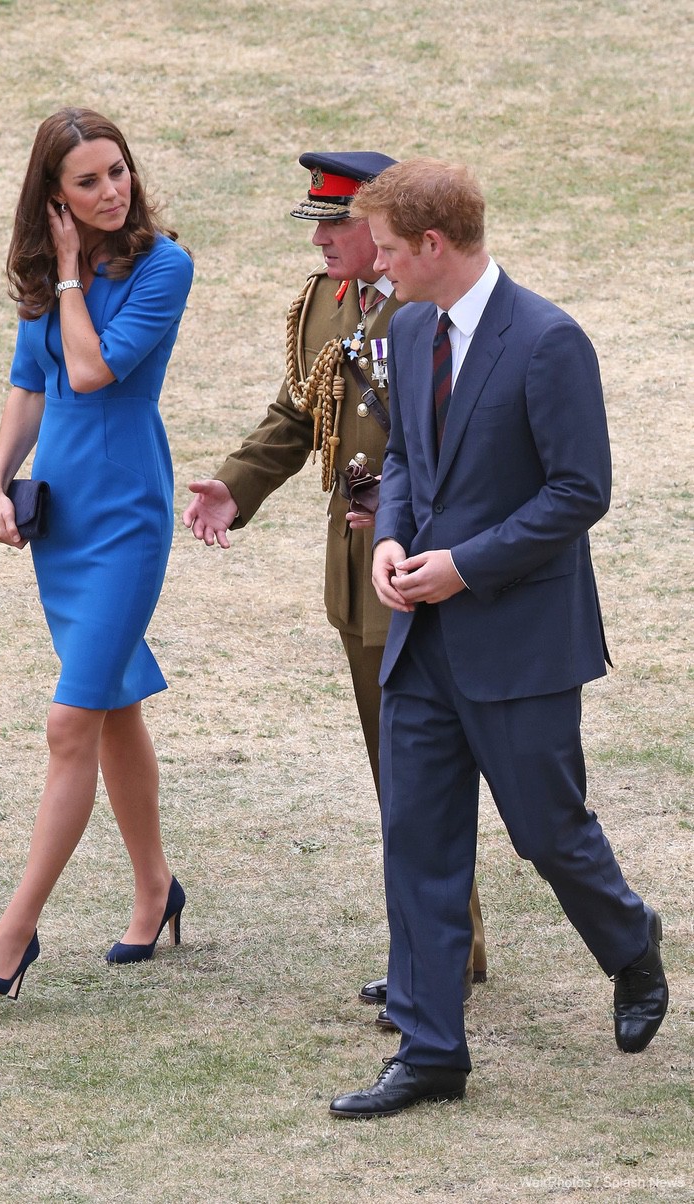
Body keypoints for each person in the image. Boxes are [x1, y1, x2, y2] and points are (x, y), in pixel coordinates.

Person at [329, 159, 668, 1117]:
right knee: (418, 839)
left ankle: (631, 943)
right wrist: (393, 534)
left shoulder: (549, 342)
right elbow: (402, 456)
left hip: (517, 642)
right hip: (424, 645)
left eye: (389, 251)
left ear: (433, 246)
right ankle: (433, 1049)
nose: (380, 268)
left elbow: (579, 492)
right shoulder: (404, 325)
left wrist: (464, 566)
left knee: (547, 833)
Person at [182, 152, 488, 1022]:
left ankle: (435, 953)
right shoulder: (329, 302)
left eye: (336, 225)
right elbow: (299, 410)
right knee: (398, 769)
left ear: (384, 226)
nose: (319, 240)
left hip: (429, 564)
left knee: (434, 769)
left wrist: (400, 511)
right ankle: (446, 944)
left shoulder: (429, 303)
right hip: (360, 575)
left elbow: (463, 435)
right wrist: (237, 486)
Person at [0, 108, 194, 999]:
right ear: (53, 196)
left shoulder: (163, 265)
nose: (110, 191)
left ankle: (14, 934)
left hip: (128, 513)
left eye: (117, 171)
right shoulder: (47, 268)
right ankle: (154, 889)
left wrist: (67, 275)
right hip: (60, 517)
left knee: (70, 723)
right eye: (87, 181)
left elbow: (93, 374)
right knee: (113, 703)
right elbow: (33, 381)